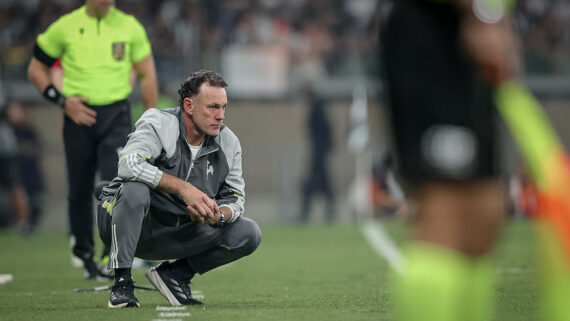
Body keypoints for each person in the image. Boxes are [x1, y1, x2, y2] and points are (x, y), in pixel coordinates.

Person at [381, 0, 515, 320]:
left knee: (484, 213)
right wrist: (483, 13)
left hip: (468, 32)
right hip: (434, 28)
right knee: (450, 208)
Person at [96, 70, 262, 308]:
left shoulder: (229, 143)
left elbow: (236, 198)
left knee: (248, 233)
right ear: (189, 105)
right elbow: (128, 164)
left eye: (224, 107)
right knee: (134, 190)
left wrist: (218, 214)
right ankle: (122, 282)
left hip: (180, 232)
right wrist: (184, 188)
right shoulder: (158, 122)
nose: (220, 116)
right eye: (213, 107)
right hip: (136, 226)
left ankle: (175, 275)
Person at [27, 0, 158, 279]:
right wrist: (62, 101)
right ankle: (85, 257)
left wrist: (150, 124)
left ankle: (118, 253)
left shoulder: (129, 26)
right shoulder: (65, 27)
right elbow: (36, 70)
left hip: (117, 116)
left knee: (119, 185)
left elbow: (147, 75)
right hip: (77, 117)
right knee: (79, 187)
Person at [298, 86, 336, 222]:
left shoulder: (317, 106)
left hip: (319, 153)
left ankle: (305, 213)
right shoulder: (317, 105)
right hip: (319, 152)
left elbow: (323, 130)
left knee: (314, 183)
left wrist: (319, 152)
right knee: (321, 184)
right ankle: (308, 212)